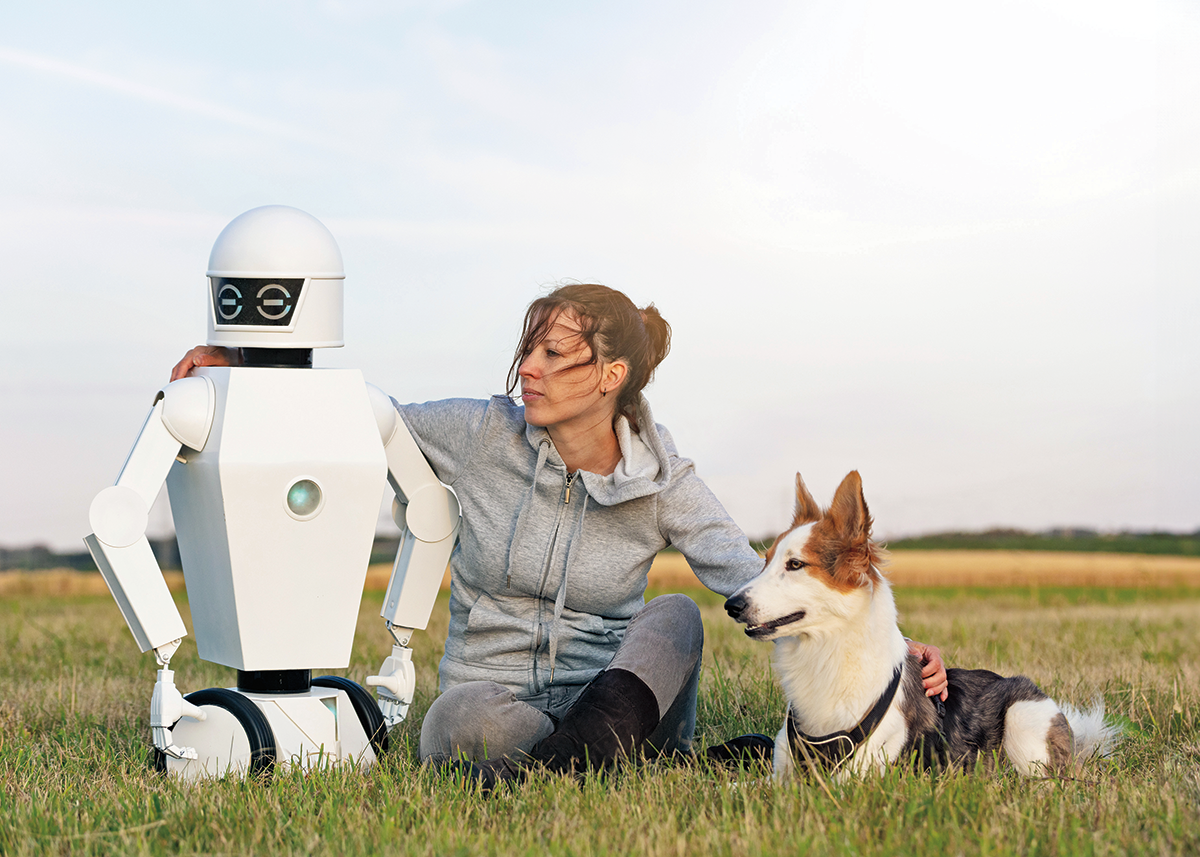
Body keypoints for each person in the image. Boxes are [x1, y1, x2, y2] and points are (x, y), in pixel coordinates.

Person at [172, 282, 948, 790]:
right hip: (498, 697)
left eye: (553, 353)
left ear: (610, 375)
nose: (528, 369)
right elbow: (352, 418)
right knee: (453, 722)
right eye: (529, 350)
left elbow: (760, 583)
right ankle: (590, 765)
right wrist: (243, 369)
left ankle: (565, 763)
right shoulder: (481, 434)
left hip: (620, 691)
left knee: (674, 615)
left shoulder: (663, 476)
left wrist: (896, 649)